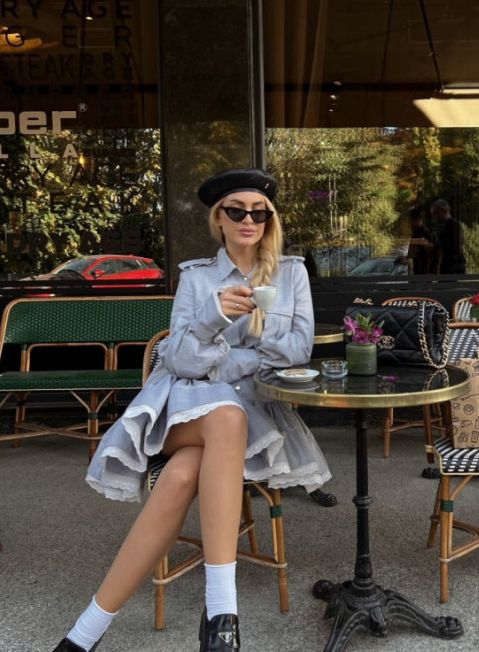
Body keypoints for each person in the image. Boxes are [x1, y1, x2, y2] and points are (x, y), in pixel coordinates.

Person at [52, 168, 332, 652]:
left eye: (259, 212)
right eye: (237, 211)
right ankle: (223, 612)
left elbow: (299, 350)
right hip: (185, 405)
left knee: (182, 475)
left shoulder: (291, 273)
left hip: (253, 410)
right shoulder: (198, 277)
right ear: (219, 219)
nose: (249, 220)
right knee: (224, 416)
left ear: (270, 219)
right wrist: (215, 316)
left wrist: (227, 356)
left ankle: (85, 632)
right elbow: (180, 361)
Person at [430, 199, 466, 274]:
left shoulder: (453, 225)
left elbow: (453, 248)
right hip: (448, 266)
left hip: (453, 267)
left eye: (436, 213)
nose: (434, 217)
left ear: (444, 211)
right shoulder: (444, 226)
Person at [407, 207, 433, 274]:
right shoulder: (416, 233)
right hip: (417, 269)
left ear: (417, 219)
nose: (410, 223)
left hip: (423, 271)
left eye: (411, 220)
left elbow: (430, 254)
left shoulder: (426, 233)